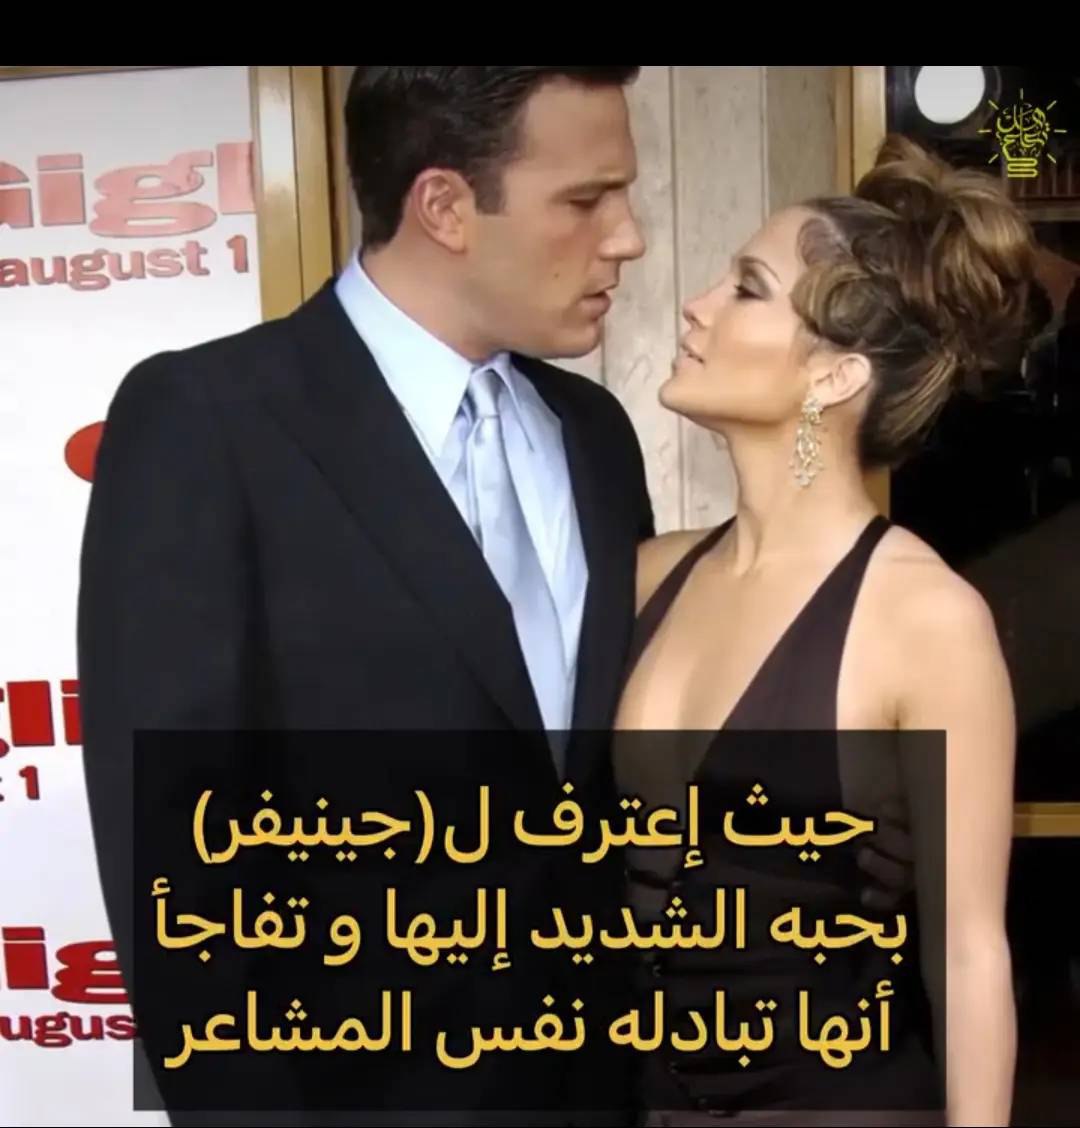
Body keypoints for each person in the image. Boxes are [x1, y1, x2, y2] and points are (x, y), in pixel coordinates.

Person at [77, 67, 910, 1126]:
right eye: (586, 199)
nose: (628, 238)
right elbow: (171, 861)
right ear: (445, 207)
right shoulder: (207, 420)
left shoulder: (592, 434)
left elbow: (601, 779)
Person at [614, 134, 1033, 1126]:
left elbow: (969, 955)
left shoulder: (926, 618)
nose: (697, 305)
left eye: (746, 288)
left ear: (836, 376)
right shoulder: (647, 576)